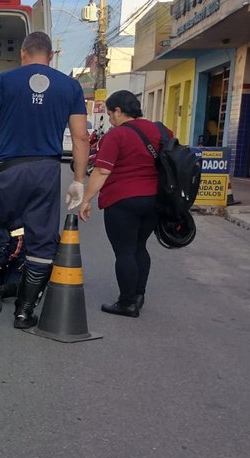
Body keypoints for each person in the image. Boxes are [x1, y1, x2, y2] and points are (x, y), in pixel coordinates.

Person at [0, 31, 89, 329]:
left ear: (23, 54)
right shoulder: (70, 86)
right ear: (51, 56)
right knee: (42, 244)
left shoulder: (5, 81)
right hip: (46, 172)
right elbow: (81, 136)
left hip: (9, 169)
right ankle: (24, 312)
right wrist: (78, 180)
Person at [78, 90, 173, 318]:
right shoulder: (161, 130)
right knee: (140, 246)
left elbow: (101, 171)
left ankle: (126, 302)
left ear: (119, 111)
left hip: (122, 201)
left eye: (111, 114)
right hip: (154, 200)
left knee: (125, 252)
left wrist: (86, 199)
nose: (110, 119)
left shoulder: (117, 136)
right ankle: (138, 295)